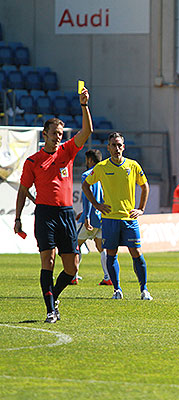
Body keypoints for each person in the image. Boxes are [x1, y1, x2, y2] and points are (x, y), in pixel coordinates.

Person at [13, 88, 93, 323]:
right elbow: (23, 190)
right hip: (46, 214)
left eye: (60, 133)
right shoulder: (33, 162)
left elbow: (87, 131)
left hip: (66, 214)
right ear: (44, 134)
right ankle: (50, 310)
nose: (58, 137)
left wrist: (84, 105)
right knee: (48, 260)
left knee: (72, 268)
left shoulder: (67, 151)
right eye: (54, 133)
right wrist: (18, 218)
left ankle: (53, 296)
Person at [82, 132, 152, 301]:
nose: (116, 148)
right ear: (108, 147)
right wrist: (97, 205)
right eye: (113, 145)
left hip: (129, 219)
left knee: (136, 252)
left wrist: (141, 209)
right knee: (111, 254)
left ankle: (144, 289)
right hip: (110, 219)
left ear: (124, 147)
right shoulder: (101, 167)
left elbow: (145, 186)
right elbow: (85, 185)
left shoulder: (133, 165)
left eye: (119, 145)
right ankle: (117, 289)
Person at [76, 149, 111, 286]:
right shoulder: (105, 174)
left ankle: (73, 275)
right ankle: (108, 277)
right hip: (103, 217)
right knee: (101, 247)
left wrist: (87, 216)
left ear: (89, 160)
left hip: (91, 217)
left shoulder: (87, 175)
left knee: (75, 245)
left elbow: (87, 197)